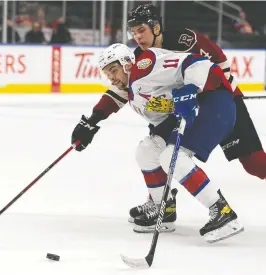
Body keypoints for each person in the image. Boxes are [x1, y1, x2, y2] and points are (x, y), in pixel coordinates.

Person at [77, 3, 265, 233]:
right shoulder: (140, 59)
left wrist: (221, 88)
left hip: (216, 100)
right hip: (190, 109)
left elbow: (212, 62)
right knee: (152, 150)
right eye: (133, 32)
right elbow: (123, 89)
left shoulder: (183, 40)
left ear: (156, 27)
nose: (137, 37)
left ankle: (218, 210)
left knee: (255, 164)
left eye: (141, 30)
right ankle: (162, 206)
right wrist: (93, 119)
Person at [71, 43, 244, 243]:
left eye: (113, 70)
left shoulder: (144, 67)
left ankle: (223, 212)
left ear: (127, 64)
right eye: (107, 74)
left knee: (173, 157)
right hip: (189, 114)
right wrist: (91, 122)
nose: (111, 78)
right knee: (147, 151)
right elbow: (121, 100)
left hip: (213, 103)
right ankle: (164, 208)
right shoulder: (132, 88)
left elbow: (196, 62)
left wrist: (190, 89)